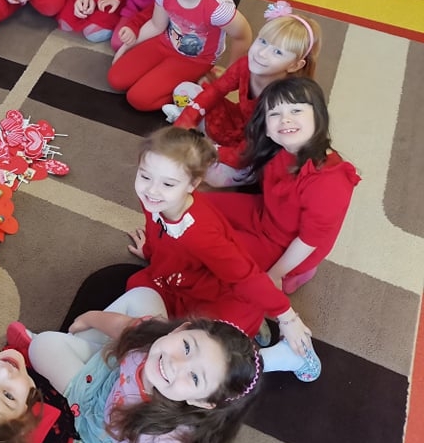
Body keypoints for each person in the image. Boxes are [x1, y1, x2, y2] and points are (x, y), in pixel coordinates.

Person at [121, 126, 321, 379]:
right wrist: (151, 249)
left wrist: (287, 318)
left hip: (221, 291)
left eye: (168, 183)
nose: (151, 190)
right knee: (136, 289)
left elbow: (244, 276)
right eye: (145, 176)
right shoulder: (155, 200)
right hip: (179, 278)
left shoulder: (201, 233)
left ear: (193, 184)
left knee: (209, 353)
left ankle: (282, 356)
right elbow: (157, 228)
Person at [28, 310, 261, 443]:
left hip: (99, 428)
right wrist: (90, 317)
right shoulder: (152, 337)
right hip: (113, 377)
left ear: (200, 401)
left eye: (194, 377)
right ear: (181, 329)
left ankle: (77, 347)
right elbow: (122, 325)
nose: (175, 362)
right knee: (144, 296)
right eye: (187, 347)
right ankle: (86, 344)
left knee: (40, 346)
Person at [207, 77, 360, 294]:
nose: (285, 120)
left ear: (319, 116)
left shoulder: (329, 180)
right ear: (267, 129)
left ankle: (294, 273)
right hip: (265, 214)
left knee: (208, 251)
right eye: (274, 114)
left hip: (285, 246)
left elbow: (308, 240)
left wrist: (275, 274)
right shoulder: (277, 148)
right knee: (195, 206)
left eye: (296, 110)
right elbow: (240, 157)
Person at [172, 1, 322, 187]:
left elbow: (246, 153)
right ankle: (201, 138)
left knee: (215, 175)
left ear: (294, 65)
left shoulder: (282, 100)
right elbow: (217, 90)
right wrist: (186, 120)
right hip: (237, 123)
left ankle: (203, 142)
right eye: (262, 41)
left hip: (255, 149)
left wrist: (206, 148)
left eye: (277, 52)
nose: (262, 54)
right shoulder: (245, 65)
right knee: (185, 90)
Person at [108, 0, 253, 112]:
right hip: (165, 43)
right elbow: (156, 25)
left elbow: (243, 35)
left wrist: (229, 76)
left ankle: (196, 89)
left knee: (138, 98)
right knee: (115, 79)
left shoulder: (218, 8)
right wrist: (126, 47)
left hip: (196, 60)